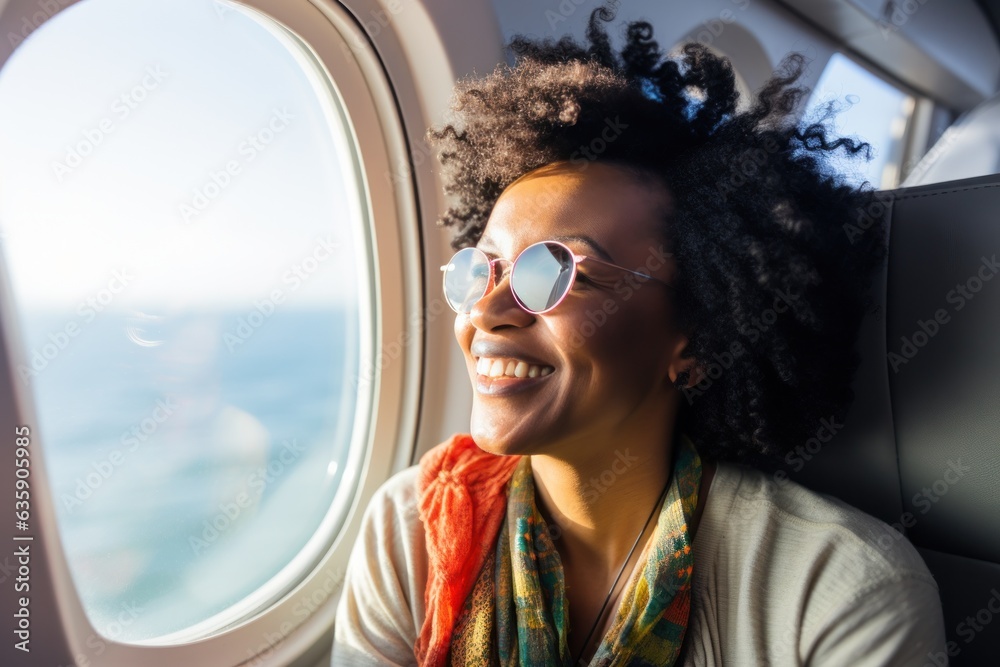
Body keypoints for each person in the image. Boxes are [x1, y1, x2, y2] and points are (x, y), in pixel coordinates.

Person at [332, 6, 946, 665]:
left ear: (695, 337)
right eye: (481, 269)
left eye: (557, 270)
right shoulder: (413, 531)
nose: (488, 311)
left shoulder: (838, 592)